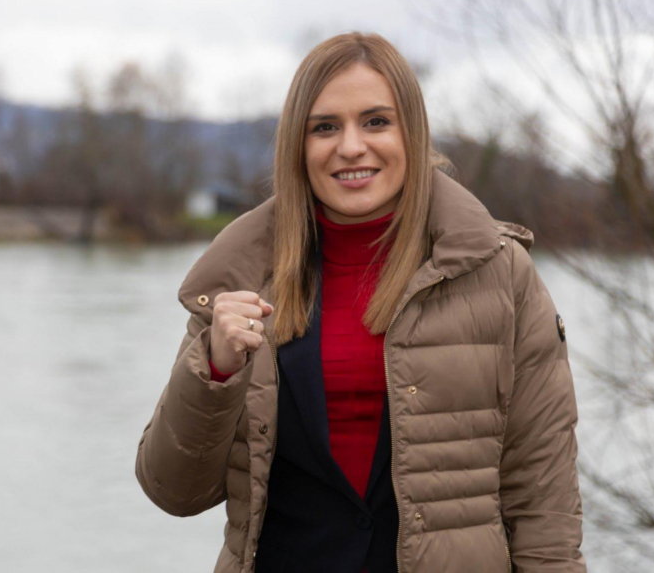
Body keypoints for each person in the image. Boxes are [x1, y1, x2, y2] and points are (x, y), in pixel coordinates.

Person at [135, 32, 586, 573]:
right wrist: (215, 369)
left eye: (376, 121)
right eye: (325, 127)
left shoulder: (499, 272)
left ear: (412, 133)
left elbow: (543, 495)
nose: (350, 147)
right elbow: (174, 491)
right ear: (298, 146)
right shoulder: (241, 276)